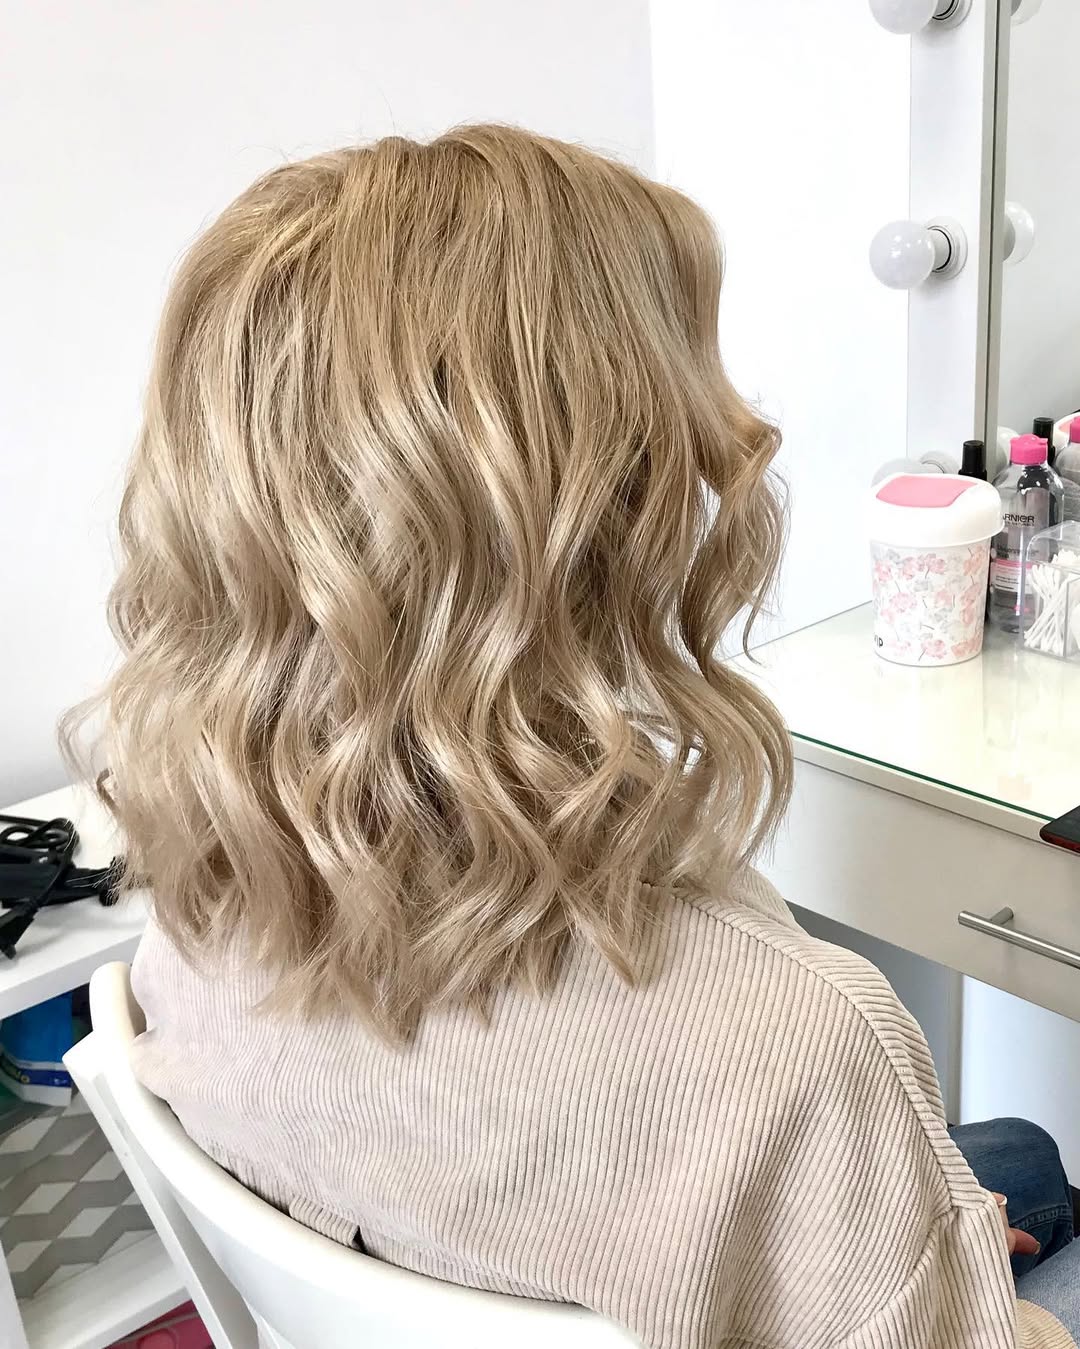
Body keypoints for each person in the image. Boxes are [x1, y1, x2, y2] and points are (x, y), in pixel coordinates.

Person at [66, 125, 1079, 1347]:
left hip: (456, 1232)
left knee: (1018, 1158)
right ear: (620, 503)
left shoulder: (197, 885)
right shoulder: (803, 1048)